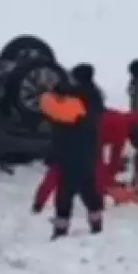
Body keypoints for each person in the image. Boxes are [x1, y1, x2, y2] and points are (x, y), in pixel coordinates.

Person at [38, 63, 104, 239]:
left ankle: (61, 229)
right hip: (88, 152)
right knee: (88, 189)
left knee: (65, 193)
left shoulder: (76, 99)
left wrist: (48, 93)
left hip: (70, 152)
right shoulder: (94, 96)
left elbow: (54, 109)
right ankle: (96, 224)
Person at [33, 107, 138, 212]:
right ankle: (98, 204)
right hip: (87, 139)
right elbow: (115, 156)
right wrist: (110, 177)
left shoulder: (113, 116)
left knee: (59, 167)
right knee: (96, 170)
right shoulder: (121, 129)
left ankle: (39, 203)